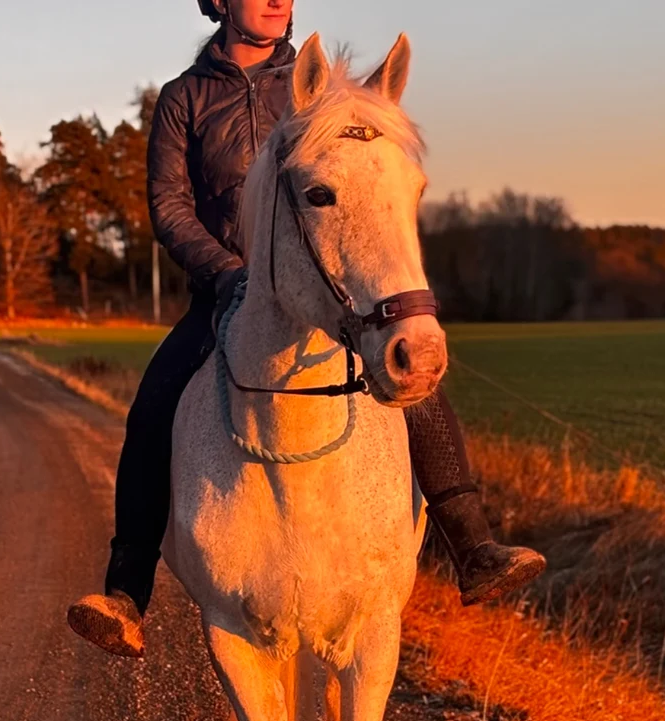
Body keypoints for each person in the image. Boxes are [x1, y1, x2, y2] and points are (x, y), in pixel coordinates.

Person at [67, 0, 545, 659]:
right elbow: (170, 205)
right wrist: (227, 272)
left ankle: (474, 546)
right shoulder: (185, 98)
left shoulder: (322, 94)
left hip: (322, 291)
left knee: (417, 384)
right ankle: (127, 592)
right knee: (153, 407)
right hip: (223, 292)